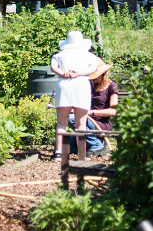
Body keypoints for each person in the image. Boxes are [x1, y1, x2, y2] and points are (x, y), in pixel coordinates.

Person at [50, 30, 99, 161]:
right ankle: (81, 154)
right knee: (81, 123)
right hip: (81, 84)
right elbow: (93, 69)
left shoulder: (59, 55)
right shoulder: (89, 55)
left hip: (64, 84)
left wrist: (63, 73)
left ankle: (58, 152)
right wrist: (79, 73)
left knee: (61, 122)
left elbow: (53, 67)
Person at [67, 61, 118, 156]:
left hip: (102, 124)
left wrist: (92, 112)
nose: (93, 78)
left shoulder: (112, 86)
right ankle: (95, 141)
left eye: (96, 76)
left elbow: (113, 111)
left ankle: (97, 145)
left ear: (103, 73)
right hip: (85, 122)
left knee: (72, 119)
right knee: (67, 146)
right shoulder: (91, 86)